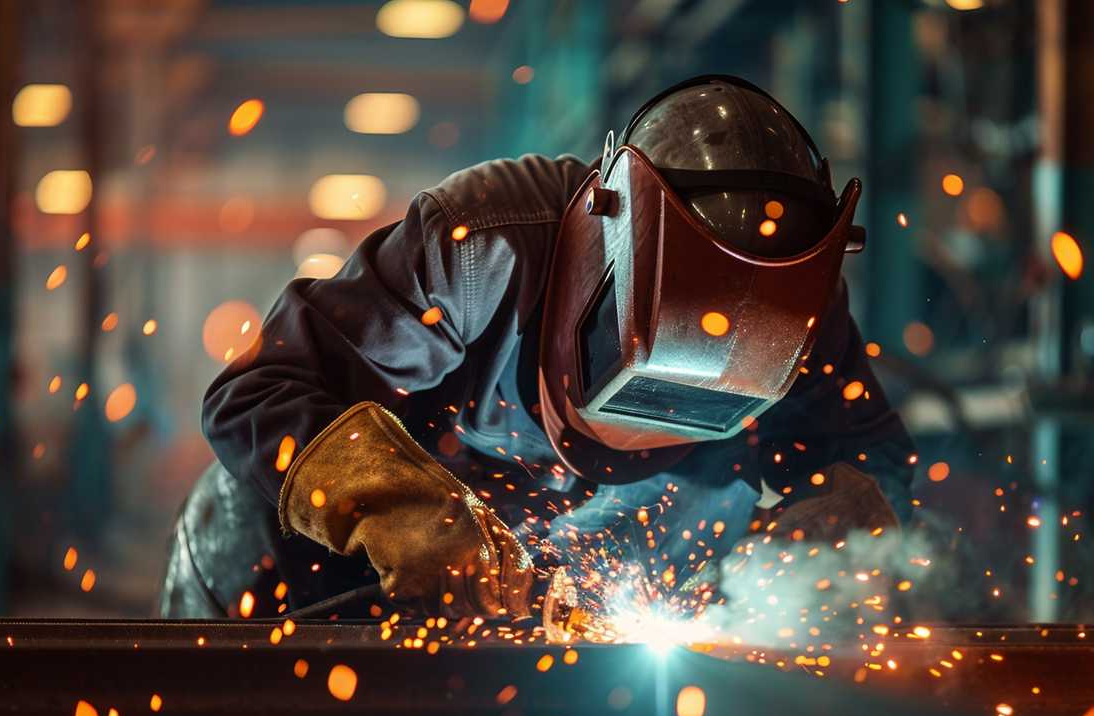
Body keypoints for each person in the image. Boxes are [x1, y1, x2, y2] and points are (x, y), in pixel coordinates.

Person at [160, 75, 915, 621]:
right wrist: (404, 513)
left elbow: (874, 462)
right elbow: (255, 396)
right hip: (303, 596)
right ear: (606, 258)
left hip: (556, 650)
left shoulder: (805, 314)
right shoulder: (485, 247)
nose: (659, 431)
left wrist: (849, 512)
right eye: (659, 384)